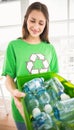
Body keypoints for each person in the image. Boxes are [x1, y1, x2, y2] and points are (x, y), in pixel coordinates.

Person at [2, 2, 58, 130]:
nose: (36, 26)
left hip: (46, 106)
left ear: (46, 25)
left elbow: (54, 78)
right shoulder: (14, 46)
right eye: (32, 21)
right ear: (26, 19)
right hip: (22, 106)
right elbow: (8, 77)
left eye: (41, 23)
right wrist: (13, 91)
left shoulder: (50, 49)